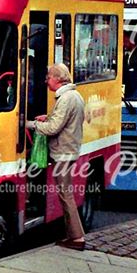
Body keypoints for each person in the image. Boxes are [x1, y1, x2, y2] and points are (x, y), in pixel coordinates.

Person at [26, 63, 87, 250]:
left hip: (63, 153)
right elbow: (63, 121)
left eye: (49, 77)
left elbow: (54, 128)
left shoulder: (65, 98)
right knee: (65, 193)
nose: (46, 81)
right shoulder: (74, 96)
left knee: (65, 194)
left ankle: (76, 237)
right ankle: (73, 235)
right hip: (70, 150)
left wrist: (30, 124)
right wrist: (49, 116)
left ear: (58, 79)